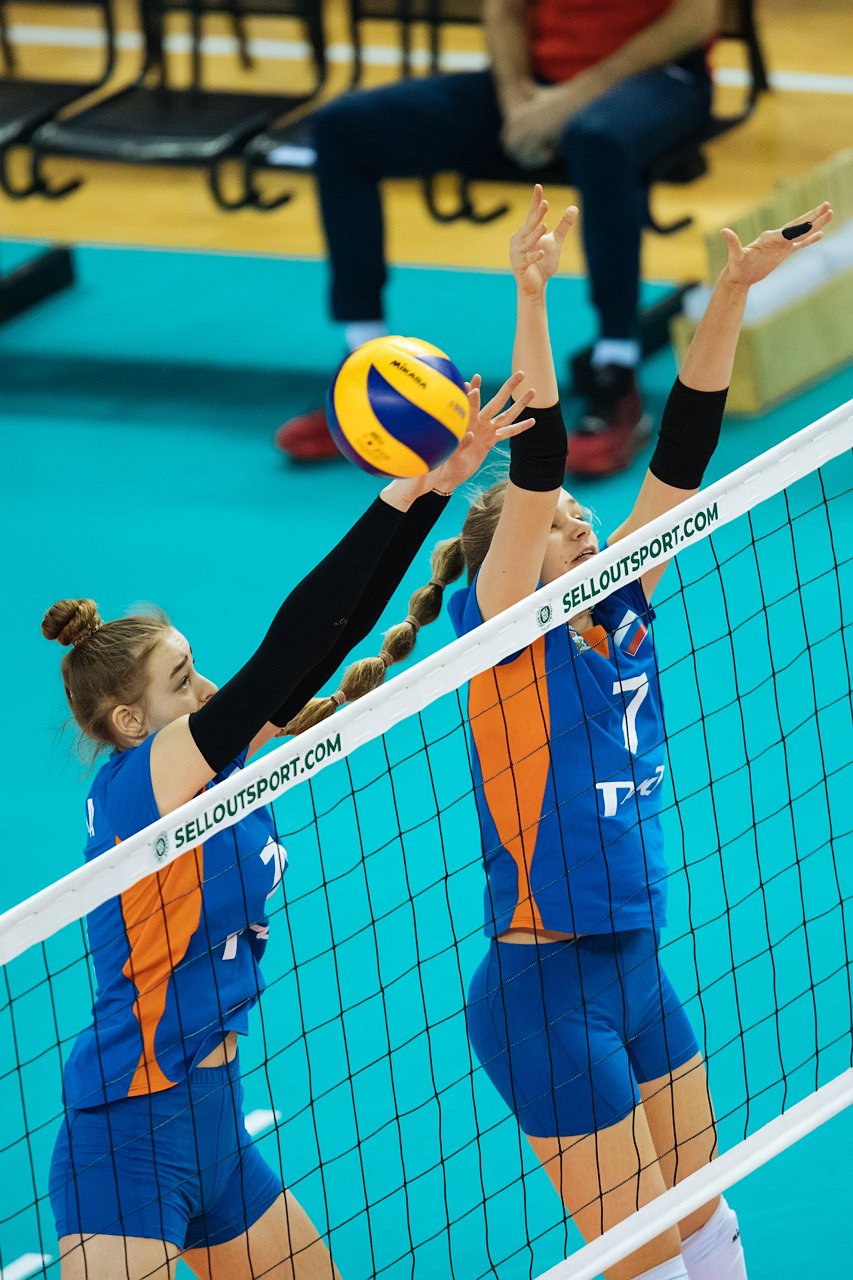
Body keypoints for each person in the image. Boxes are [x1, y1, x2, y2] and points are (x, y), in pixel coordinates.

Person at [282, 186, 832, 1279]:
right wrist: (530, 296)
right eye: (565, 521)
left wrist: (728, 294)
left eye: (588, 518)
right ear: (509, 559)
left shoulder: (620, 607)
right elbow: (536, 465)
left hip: (636, 964)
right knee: (642, 1262)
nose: (586, 524)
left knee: (710, 1230)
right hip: (542, 992)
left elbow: (682, 452)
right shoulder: (499, 632)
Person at [43, 377, 536, 1280]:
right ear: (128, 722)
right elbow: (288, 645)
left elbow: (329, 635)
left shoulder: (211, 764)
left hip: (213, 1124)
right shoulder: (141, 787)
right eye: (182, 681)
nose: (208, 689)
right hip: (128, 1133)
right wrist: (402, 488)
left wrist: (433, 486)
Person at [276, 0, 720, 477]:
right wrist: (516, 105)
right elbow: (504, 9)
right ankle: (365, 366)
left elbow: (696, 19)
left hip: (661, 80)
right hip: (534, 87)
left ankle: (616, 369)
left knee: (597, 138)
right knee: (343, 128)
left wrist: (565, 104)